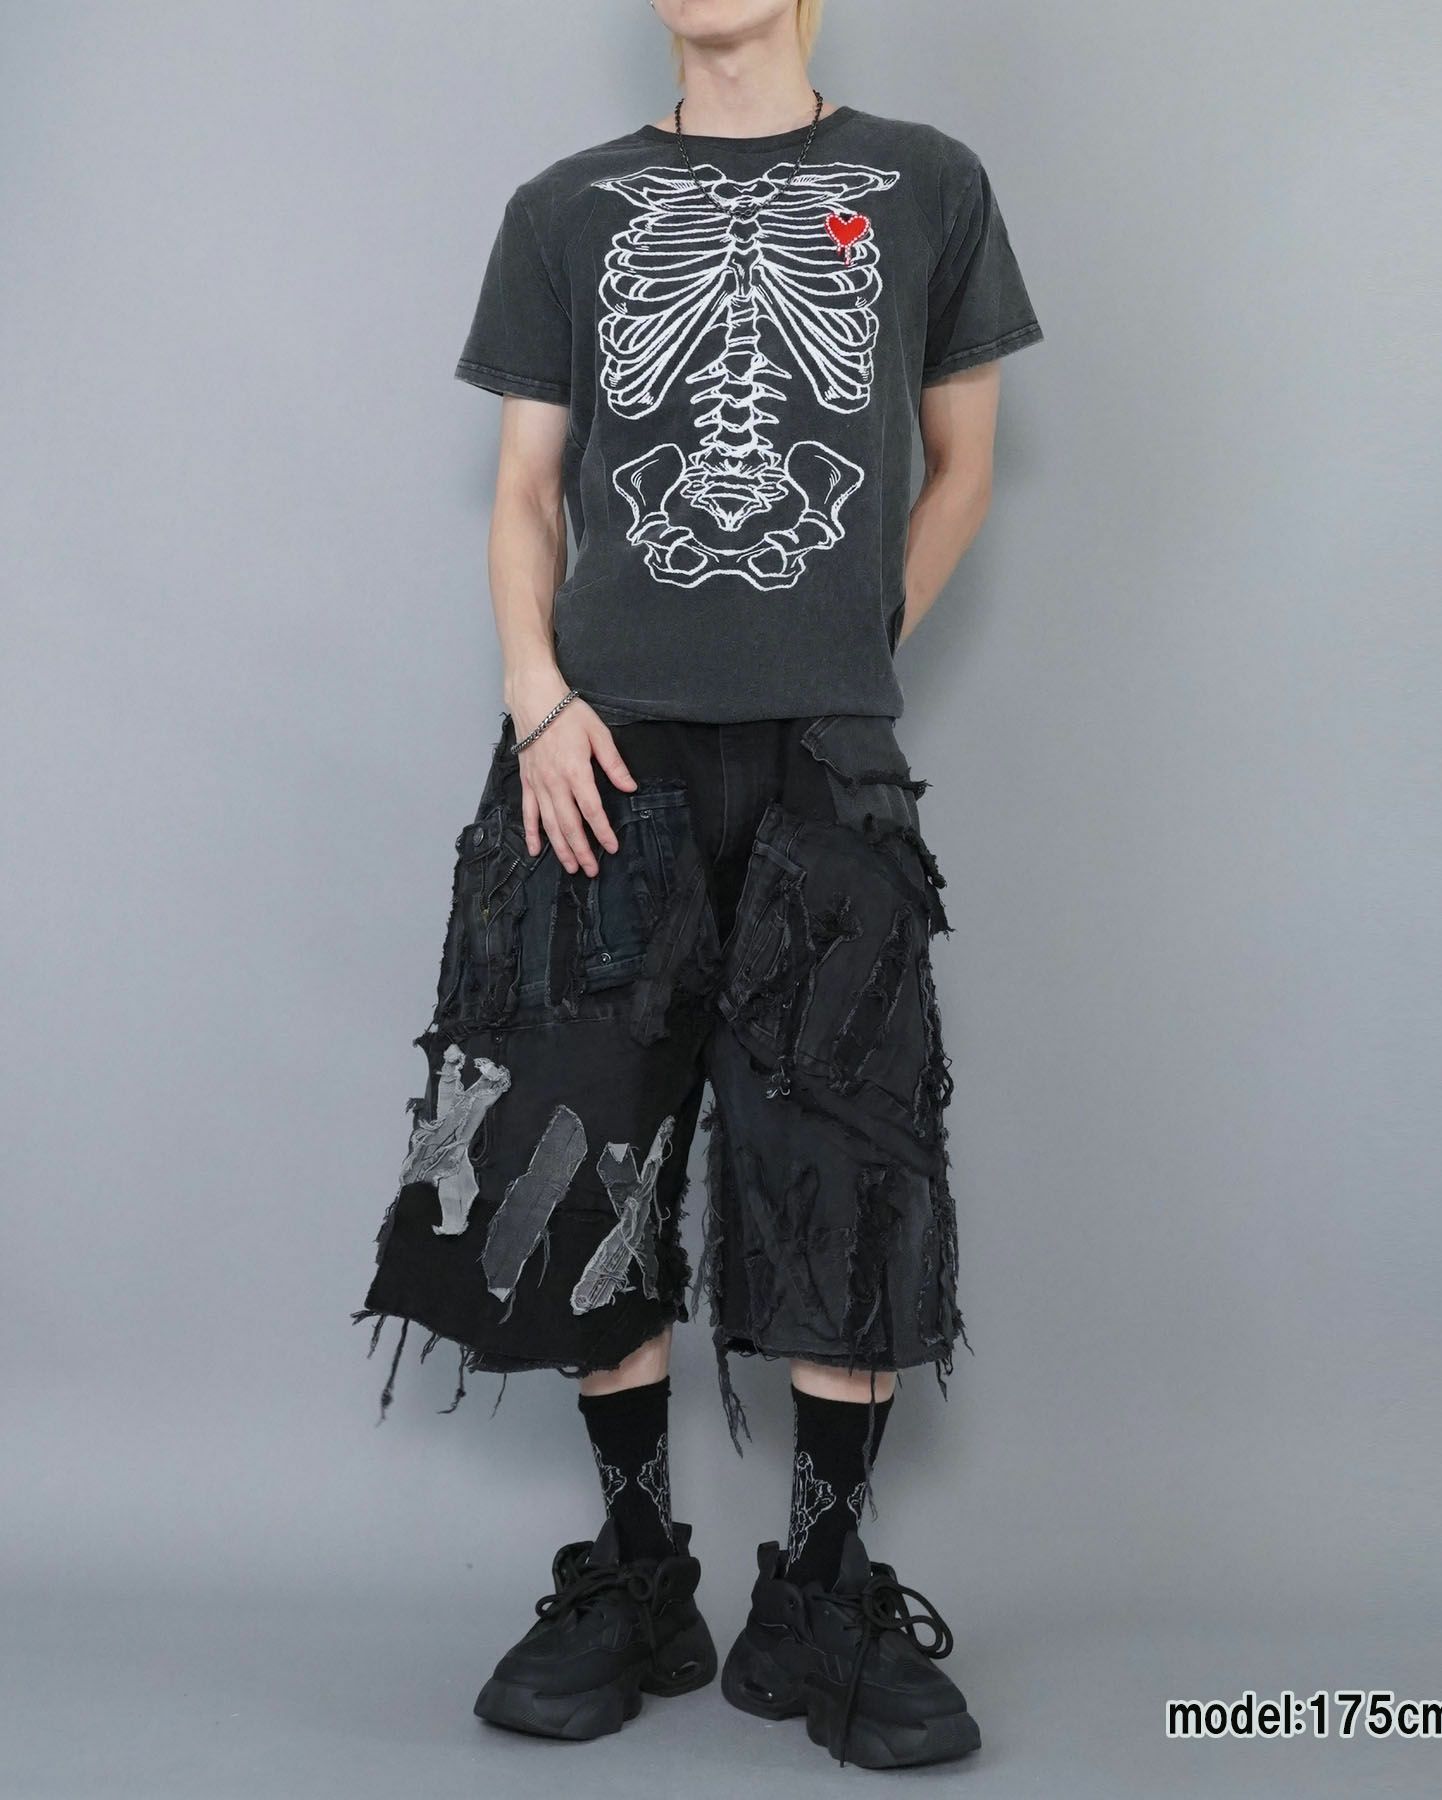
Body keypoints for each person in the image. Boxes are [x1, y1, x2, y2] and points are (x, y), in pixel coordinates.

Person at [352, 0, 1041, 1769]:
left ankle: (820, 1586)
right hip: (601, 751)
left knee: (846, 1154)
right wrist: (538, 698)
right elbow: (527, 492)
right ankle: (638, 1569)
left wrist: (851, 648)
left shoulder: (927, 185)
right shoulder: (563, 206)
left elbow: (963, 460)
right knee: (583, 1144)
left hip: (825, 756)